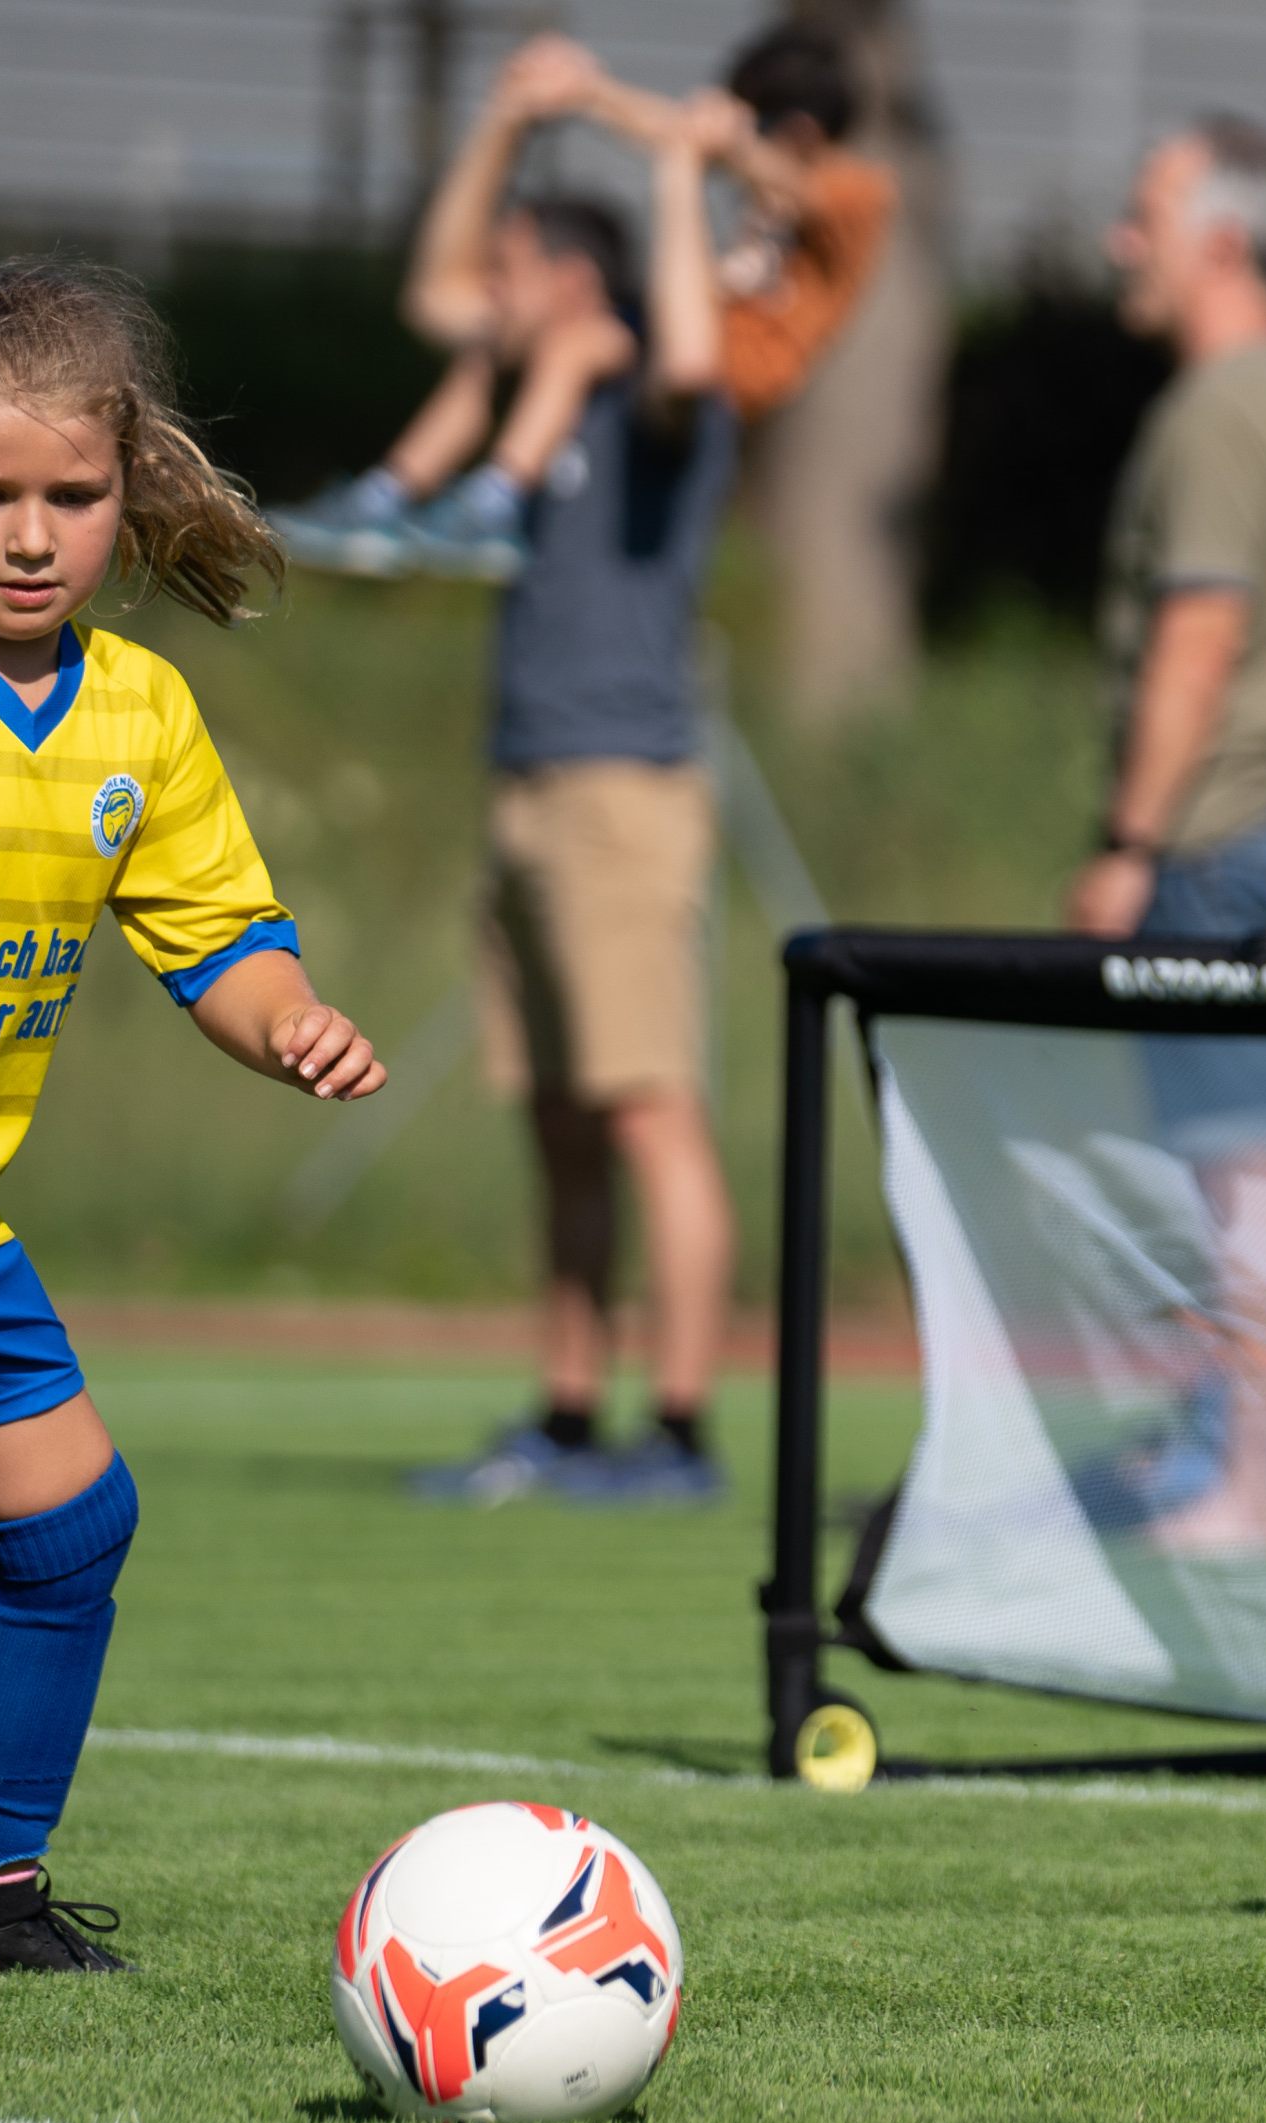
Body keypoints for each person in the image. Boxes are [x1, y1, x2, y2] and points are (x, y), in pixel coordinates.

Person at [0, 258, 385, 1971]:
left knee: (69, 1521)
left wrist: (290, 1024)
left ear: (128, 490)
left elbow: (223, 939)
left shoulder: (139, 714)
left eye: (74, 492)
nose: (35, 533)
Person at [398, 47, 741, 1506]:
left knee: (650, 1108)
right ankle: (566, 1409)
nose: (496, 285)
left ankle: (678, 1431)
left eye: (522, 266)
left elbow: (688, 350)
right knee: (554, 1117)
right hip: (527, 780)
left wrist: (666, 163)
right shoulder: (524, 397)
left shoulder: (653, 402)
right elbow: (433, 292)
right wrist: (502, 122)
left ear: (577, 282)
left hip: (624, 788)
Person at [276, 27, 894, 583]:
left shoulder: (858, 192)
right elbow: (437, 301)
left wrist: (594, 94)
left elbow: (753, 166)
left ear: (799, 134)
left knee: (581, 340)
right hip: (665, 343)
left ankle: (498, 500)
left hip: (722, 379)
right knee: (500, 343)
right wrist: (523, 109)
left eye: (747, 123)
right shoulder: (767, 212)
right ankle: (387, 495)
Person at [1066, 115, 1266, 943]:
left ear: (1225, 243)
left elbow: (1200, 633)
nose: (1120, 242)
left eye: (1147, 219)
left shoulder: (1217, 410)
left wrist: (1129, 846)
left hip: (1217, 847)